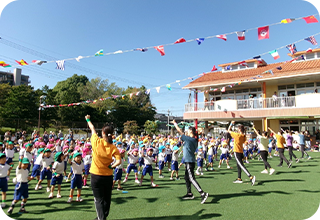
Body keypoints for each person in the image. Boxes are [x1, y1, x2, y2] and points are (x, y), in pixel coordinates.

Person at [86, 115, 121, 220]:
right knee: (107, 199)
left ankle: (101, 218)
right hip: (108, 176)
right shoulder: (113, 147)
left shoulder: (96, 141)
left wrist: (88, 119)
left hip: (96, 176)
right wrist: (112, 166)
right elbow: (118, 161)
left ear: (103, 133)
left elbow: (92, 128)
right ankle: (102, 217)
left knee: (98, 199)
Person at [172, 120, 209, 204]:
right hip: (189, 160)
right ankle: (189, 193)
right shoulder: (194, 140)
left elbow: (179, 131)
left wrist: (175, 123)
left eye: (188, 131)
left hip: (189, 161)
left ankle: (202, 193)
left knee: (191, 178)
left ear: (191, 132)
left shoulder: (189, 139)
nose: (186, 132)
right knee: (186, 177)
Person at [228, 121, 256, 185]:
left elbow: (228, 130)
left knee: (241, 165)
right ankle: (239, 178)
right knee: (238, 166)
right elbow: (245, 142)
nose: (237, 129)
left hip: (237, 151)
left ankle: (251, 177)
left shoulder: (237, 135)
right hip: (241, 151)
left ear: (239, 129)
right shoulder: (243, 135)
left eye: (238, 128)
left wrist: (231, 124)